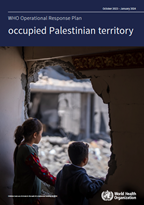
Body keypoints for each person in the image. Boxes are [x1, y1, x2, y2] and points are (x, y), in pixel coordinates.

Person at [13, 118, 56, 205]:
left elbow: (32, 168)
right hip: (26, 196)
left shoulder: (21, 147)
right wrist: (57, 182)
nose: (41, 136)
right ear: (35, 135)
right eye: (41, 134)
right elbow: (40, 172)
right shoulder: (27, 150)